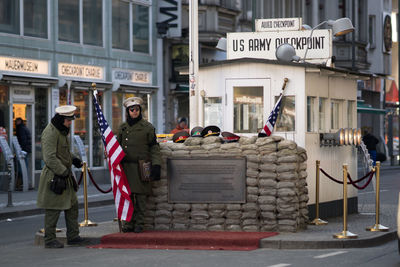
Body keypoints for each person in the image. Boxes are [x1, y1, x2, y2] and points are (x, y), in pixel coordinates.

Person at [36, 105, 84, 248]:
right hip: (55, 177)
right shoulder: (50, 132)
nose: (70, 123)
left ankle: (73, 236)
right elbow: (49, 157)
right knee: (53, 208)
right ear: (62, 119)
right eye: (68, 120)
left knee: (72, 205)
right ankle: (50, 239)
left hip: (64, 175)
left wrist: (74, 159)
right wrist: (63, 171)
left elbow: (64, 152)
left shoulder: (61, 131)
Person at [117, 97, 161, 233]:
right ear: (127, 111)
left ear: (140, 111)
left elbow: (154, 147)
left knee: (141, 197)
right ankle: (128, 223)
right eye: (131, 110)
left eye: (136, 109)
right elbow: (117, 147)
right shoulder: (123, 128)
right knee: (128, 197)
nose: (134, 112)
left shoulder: (147, 127)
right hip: (126, 167)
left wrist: (156, 165)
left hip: (142, 166)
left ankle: (139, 223)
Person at [15, 117, 32, 190]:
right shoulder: (24, 127)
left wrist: (22, 149)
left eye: (17, 121)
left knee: (22, 167)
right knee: (25, 166)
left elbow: (23, 139)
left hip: (23, 150)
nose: (16, 123)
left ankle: (22, 183)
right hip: (26, 150)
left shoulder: (21, 129)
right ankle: (25, 183)